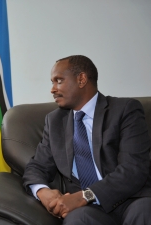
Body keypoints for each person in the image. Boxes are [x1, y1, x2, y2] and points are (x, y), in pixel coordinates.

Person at [23, 55, 151, 225]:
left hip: (132, 199)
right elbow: (37, 166)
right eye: (52, 82)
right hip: (89, 210)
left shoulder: (125, 110)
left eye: (58, 81)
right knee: (77, 220)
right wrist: (42, 191)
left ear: (81, 79)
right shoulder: (54, 121)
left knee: (145, 210)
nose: (52, 89)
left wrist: (85, 195)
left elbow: (133, 169)